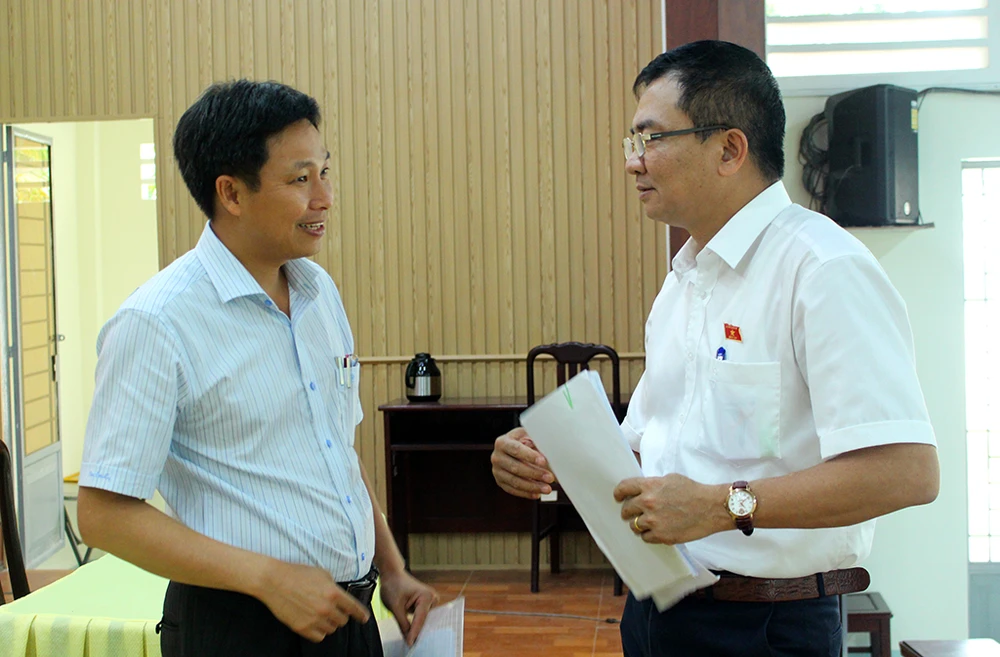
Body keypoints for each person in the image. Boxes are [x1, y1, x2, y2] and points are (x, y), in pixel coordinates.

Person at [491, 40, 939, 657]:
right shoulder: (683, 282)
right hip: (660, 606)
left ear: (729, 149)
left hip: (766, 624)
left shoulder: (822, 268)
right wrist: (552, 460)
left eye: (651, 138)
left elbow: (907, 472)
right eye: (632, 141)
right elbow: (651, 446)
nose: (633, 162)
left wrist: (723, 506)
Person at [78, 79, 437, 657]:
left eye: (325, 172)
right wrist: (267, 578)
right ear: (232, 193)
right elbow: (103, 515)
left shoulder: (318, 291)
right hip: (239, 627)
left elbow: (335, 450)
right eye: (300, 179)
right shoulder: (157, 321)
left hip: (348, 615)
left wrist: (391, 570)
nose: (324, 197)